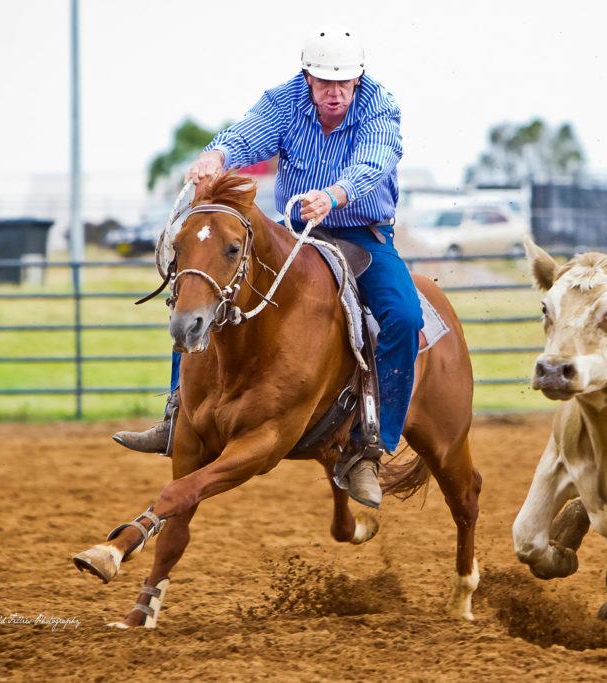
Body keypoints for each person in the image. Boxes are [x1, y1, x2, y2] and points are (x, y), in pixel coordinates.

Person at [113, 25, 422, 509]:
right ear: (307, 77)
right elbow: (245, 136)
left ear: (359, 80)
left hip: (363, 232)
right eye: (324, 82)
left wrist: (335, 194)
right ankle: (179, 412)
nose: (334, 92)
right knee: (205, 284)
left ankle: (370, 445)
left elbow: (375, 160)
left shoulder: (380, 107)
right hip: (292, 232)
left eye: (344, 83)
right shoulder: (284, 102)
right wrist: (216, 155)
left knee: (404, 317)